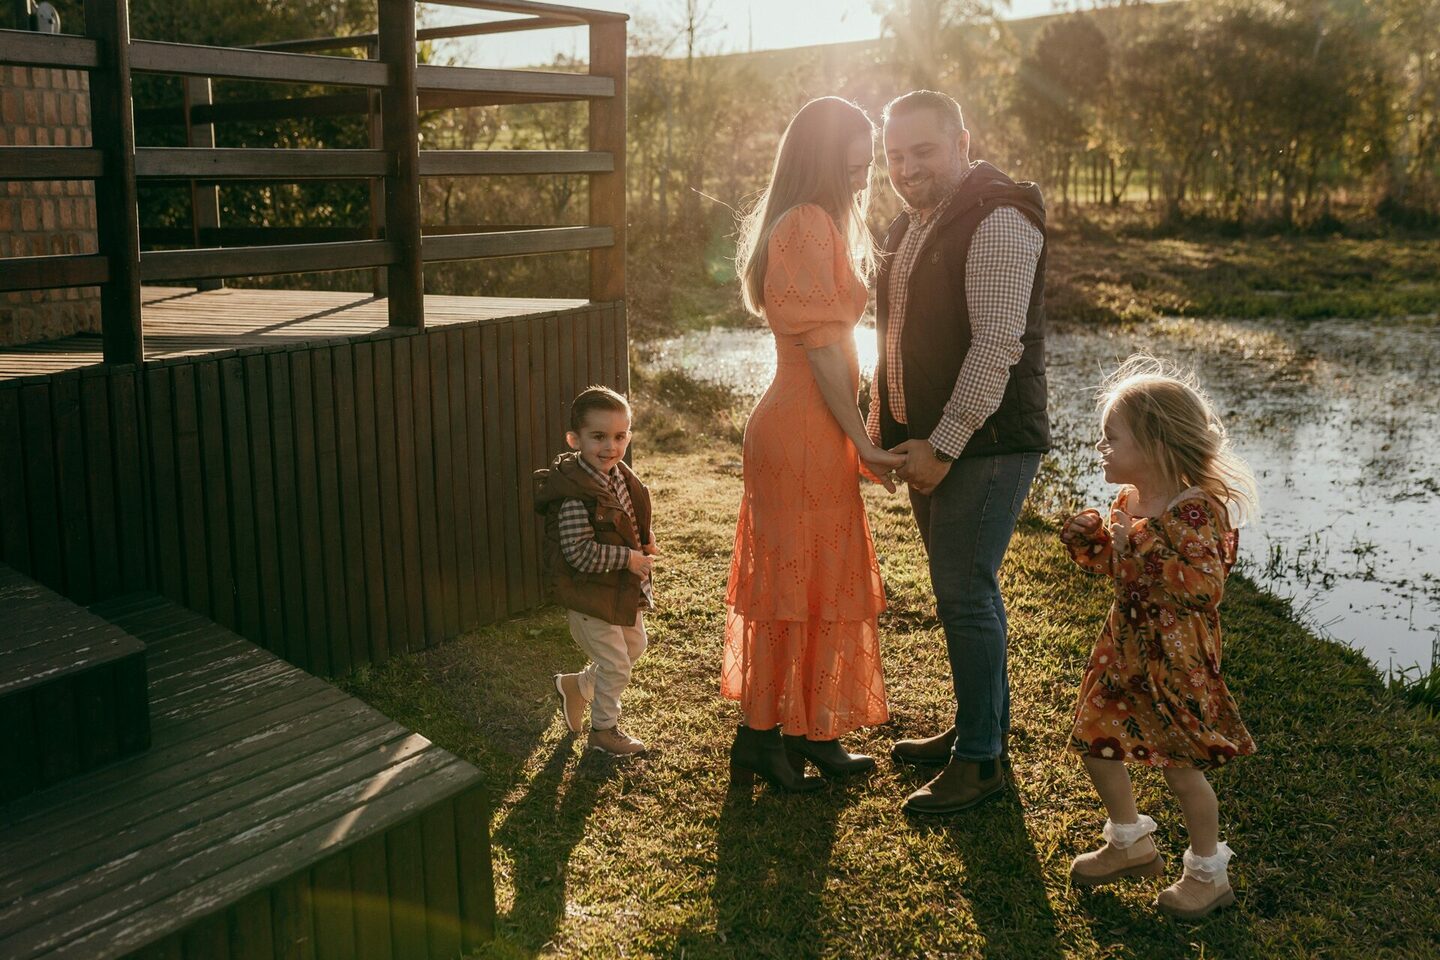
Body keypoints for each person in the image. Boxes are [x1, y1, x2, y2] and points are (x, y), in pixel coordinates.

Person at [869, 90, 1050, 814]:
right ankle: (981, 730)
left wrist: (942, 445)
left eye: (923, 150)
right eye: (895, 155)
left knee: (965, 593)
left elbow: (997, 344)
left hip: (986, 444)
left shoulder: (998, 218)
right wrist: (884, 433)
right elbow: (893, 340)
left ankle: (979, 763)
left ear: (962, 143)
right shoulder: (911, 224)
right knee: (966, 592)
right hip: (936, 445)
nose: (907, 168)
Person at [723, 96, 906, 793]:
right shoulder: (804, 222)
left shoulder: (819, 219)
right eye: (853, 166)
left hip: (814, 429)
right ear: (821, 161)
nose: (864, 178)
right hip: (800, 430)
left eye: (866, 167)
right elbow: (826, 351)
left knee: (819, 582)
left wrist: (853, 437)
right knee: (793, 584)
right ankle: (760, 737)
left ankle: (813, 730)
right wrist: (864, 442)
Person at [1060, 354, 1258, 920]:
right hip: (1124, 648)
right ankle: (1130, 842)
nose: (1102, 448)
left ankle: (1207, 875)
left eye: (1112, 438)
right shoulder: (1129, 501)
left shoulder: (1195, 512)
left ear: (1154, 443)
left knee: (1180, 768)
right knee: (1096, 739)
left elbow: (1204, 588)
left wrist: (1135, 547)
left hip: (1176, 659)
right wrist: (1096, 544)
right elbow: (1122, 570)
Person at [536, 386, 659, 757]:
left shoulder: (617, 475)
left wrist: (645, 537)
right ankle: (604, 731)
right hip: (589, 593)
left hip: (617, 590)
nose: (610, 446)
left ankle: (577, 687)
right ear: (575, 440)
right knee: (616, 665)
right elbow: (578, 553)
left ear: (628, 437)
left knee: (635, 646)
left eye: (619, 437)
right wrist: (628, 558)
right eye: (599, 437)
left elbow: (628, 516)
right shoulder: (576, 494)